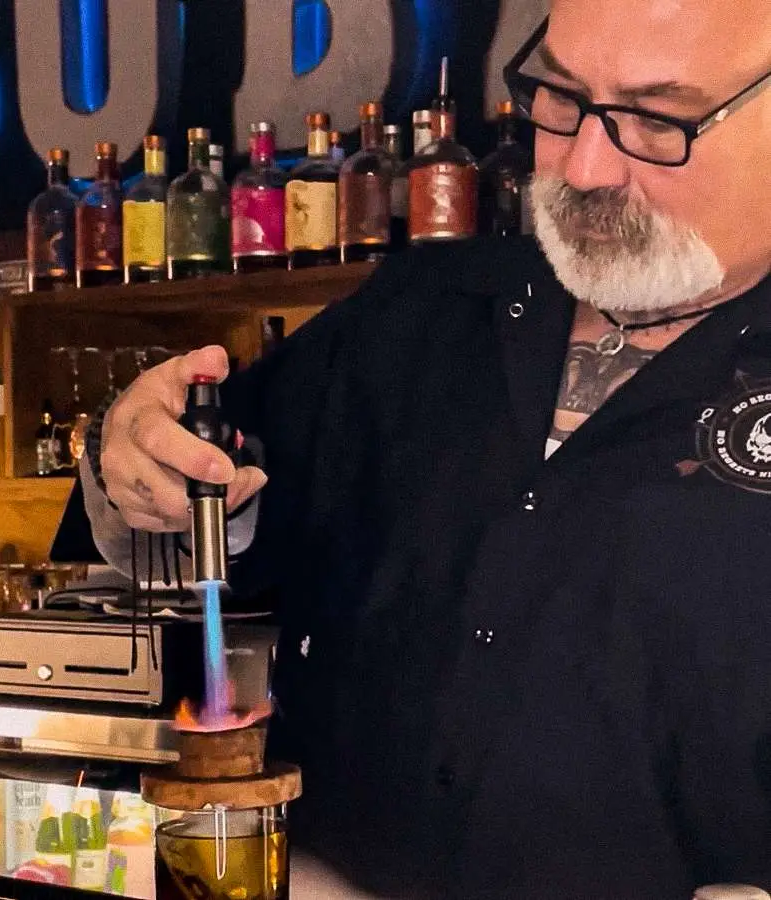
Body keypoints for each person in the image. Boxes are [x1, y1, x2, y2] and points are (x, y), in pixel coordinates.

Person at [81, 0, 771, 895]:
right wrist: (133, 465)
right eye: (560, 99)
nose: (586, 165)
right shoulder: (413, 315)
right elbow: (179, 526)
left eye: (656, 119)